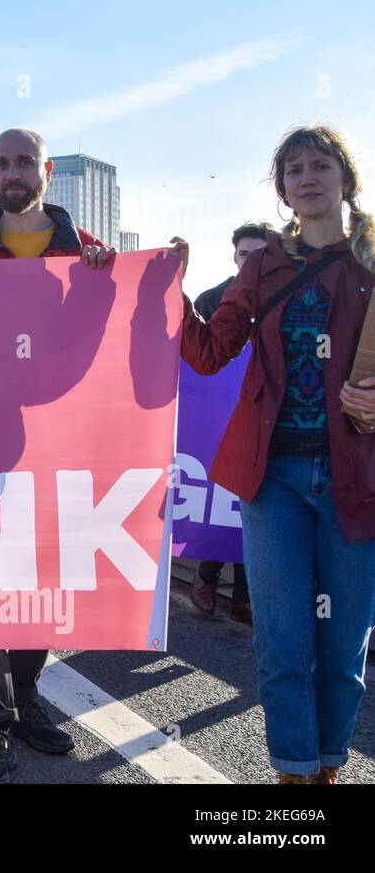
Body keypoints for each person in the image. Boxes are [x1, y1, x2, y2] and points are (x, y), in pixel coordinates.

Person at [174, 125, 375, 784]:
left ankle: (329, 771)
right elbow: (208, 351)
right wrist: (166, 289)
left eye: (320, 165)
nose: (307, 177)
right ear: (283, 189)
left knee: (343, 649)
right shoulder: (263, 267)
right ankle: (295, 778)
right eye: (293, 169)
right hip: (274, 481)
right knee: (283, 644)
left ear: (346, 176)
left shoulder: (371, 261)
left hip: (360, 476)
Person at [0, 128, 116, 784]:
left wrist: (163, 271)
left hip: (59, 444)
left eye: (23, 162)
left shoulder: (91, 253)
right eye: (1, 163)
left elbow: (133, 322)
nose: (12, 172)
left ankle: (28, 695)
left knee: (43, 576)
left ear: (44, 171)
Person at [189, 222, 273, 623]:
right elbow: (201, 354)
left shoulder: (284, 295)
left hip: (264, 415)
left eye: (259, 254)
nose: (251, 261)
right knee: (214, 500)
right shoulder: (211, 299)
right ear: (234, 256)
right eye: (244, 254)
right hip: (214, 414)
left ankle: (244, 597)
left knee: (248, 505)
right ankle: (205, 577)